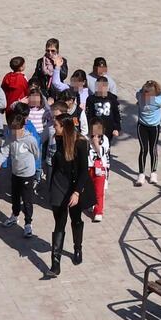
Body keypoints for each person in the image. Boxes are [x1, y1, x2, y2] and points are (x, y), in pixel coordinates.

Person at [40, 115, 96, 277]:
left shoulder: (80, 143)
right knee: (59, 222)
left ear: (65, 127)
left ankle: (77, 248)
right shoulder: (56, 139)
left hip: (75, 185)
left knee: (76, 219)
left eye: (56, 125)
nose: (54, 128)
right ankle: (55, 265)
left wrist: (77, 192)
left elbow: (83, 171)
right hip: (59, 183)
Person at [0, 107, 43, 238]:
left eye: (16, 130)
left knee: (27, 200)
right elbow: (4, 151)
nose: (14, 133)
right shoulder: (10, 138)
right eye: (12, 130)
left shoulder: (30, 139)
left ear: (22, 128)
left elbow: (36, 154)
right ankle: (14, 216)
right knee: (15, 197)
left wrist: (33, 167)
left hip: (27, 174)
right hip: (15, 173)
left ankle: (28, 224)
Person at [84, 74, 122, 182]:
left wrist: (117, 128)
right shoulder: (91, 99)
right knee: (93, 149)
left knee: (106, 150)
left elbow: (118, 114)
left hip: (109, 130)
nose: (101, 89)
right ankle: (93, 171)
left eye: (103, 86)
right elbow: (88, 115)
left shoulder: (112, 99)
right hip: (95, 129)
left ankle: (105, 171)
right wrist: (89, 129)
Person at [133, 80, 161, 186]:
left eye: (149, 95)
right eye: (144, 94)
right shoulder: (140, 96)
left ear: (154, 95)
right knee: (143, 149)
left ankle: (153, 172)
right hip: (142, 126)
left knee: (153, 149)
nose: (146, 97)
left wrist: (156, 90)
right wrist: (146, 87)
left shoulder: (157, 101)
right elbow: (138, 92)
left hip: (154, 127)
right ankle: (141, 174)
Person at [86, 118, 112, 224]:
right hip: (89, 167)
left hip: (100, 168)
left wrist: (96, 143)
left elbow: (101, 153)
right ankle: (90, 204)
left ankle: (98, 212)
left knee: (99, 191)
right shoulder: (86, 138)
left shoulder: (105, 139)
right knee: (89, 189)